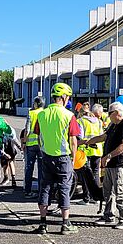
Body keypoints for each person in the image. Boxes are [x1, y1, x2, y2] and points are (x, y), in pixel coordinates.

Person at [32, 83, 81, 235]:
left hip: (46, 156)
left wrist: (43, 150)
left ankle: (43, 223)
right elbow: (73, 140)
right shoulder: (69, 115)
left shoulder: (41, 114)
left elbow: (38, 136)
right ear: (64, 97)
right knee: (64, 189)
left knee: (45, 188)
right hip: (63, 157)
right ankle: (65, 224)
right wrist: (73, 158)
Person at [86, 102, 123, 229]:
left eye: (110, 113)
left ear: (117, 113)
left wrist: (109, 156)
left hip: (120, 163)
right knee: (108, 190)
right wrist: (89, 141)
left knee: (120, 191)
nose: (108, 116)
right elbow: (104, 137)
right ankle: (108, 215)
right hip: (110, 164)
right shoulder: (114, 125)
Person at [75, 106, 103, 205]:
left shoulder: (80, 121)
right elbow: (101, 134)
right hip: (97, 150)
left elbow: (80, 137)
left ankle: (86, 197)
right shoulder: (98, 121)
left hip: (85, 150)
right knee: (95, 173)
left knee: (86, 174)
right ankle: (95, 197)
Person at [20, 97, 44, 198]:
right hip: (42, 145)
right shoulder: (45, 113)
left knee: (29, 168)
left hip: (30, 144)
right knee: (41, 169)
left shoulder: (31, 113)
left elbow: (27, 129)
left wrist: (24, 142)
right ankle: (41, 191)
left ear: (35, 104)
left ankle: (28, 191)